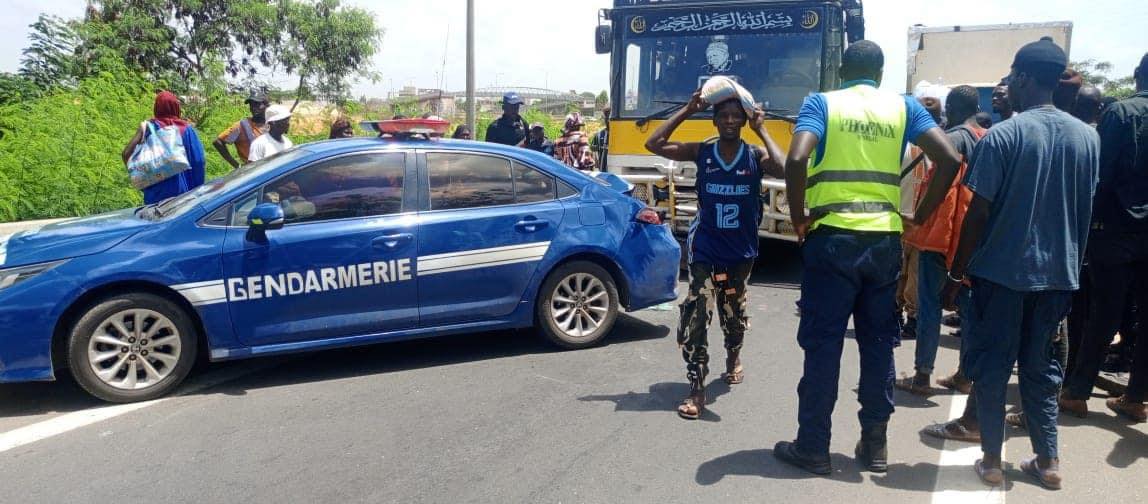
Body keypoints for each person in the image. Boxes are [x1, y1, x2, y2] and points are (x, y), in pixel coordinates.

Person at [773, 40, 960, 475]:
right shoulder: (904, 107)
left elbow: (797, 158)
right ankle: (875, 447)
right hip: (883, 243)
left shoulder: (822, 103)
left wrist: (799, 217)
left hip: (832, 238)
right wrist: (919, 217)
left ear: (841, 70)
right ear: (880, 72)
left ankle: (813, 447)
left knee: (823, 346)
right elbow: (949, 157)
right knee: (879, 346)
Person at [938, 37, 1098, 490]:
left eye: (1012, 76)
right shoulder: (1088, 138)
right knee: (1042, 370)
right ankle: (1048, 462)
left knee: (992, 366)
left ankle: (991, 460)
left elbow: (978, 212)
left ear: (1025, 79)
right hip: (1059, 277)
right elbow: (1083, 210)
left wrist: (955, 274)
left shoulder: (1004, 135)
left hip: (1001, 276)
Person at [645, 86, 784, 421]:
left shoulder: (753, 156)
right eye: (724, 116)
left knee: (733, 314)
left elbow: (783, 167)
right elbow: (654, 144)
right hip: (705, 248)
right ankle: (696, 386)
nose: (731, 121)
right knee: (695, 313)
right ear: (716, 121)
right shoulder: (702, 152)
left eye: (737, 115)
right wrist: (688, 110)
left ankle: (733, 354)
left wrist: (761, 128)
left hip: (740, 252)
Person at [1061, 52, 1148, 424]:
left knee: (1104, 313)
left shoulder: (1122, 113)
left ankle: (1077, 393)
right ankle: (1136, 397)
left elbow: (1101, 177)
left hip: (1114, 230)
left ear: (1136, 74)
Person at [897, 85, 987, 397]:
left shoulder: (952, 140)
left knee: (929, 304)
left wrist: (918, 218)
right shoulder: (987, 137)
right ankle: (965, 374)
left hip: (942, 235)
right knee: (967, 304)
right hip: (973, 237)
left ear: (952, 108)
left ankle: (922, 376)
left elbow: (938, 187)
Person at [121, 91, 206, 204]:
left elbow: (126, 154)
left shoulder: (148, 128)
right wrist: (197, 190)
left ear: (156, 108)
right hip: (184, 198)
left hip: (154, 198)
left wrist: (143, 180)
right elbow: (198, 161)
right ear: (176, 108)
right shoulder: (186, 130)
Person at [214, 89, 269, 169]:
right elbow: (218, 142)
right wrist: (237, 166)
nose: (253, 108)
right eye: (251, 105)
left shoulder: (271, 123)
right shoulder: (242, 126)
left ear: (266, 105)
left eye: (257, 104)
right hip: (254, 171)